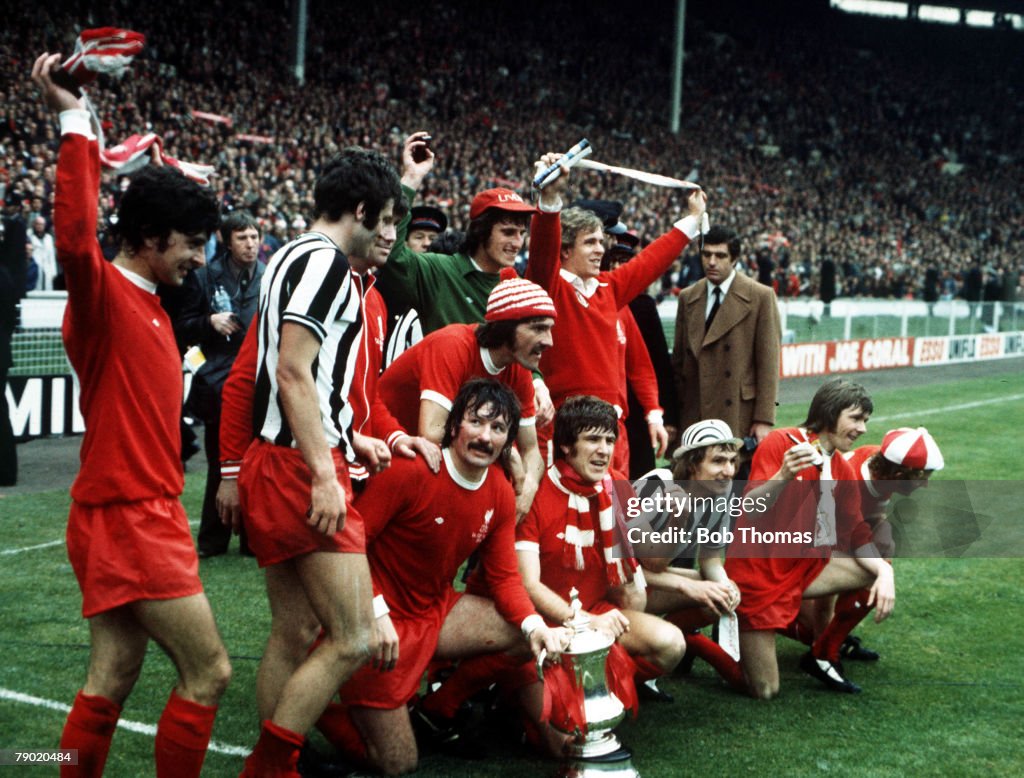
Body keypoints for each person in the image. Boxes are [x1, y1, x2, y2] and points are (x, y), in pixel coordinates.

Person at [32, 52, 231, 777]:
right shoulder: (106, 297)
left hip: (125, 511)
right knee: (209, 672)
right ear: (148, 240)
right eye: (189, 244)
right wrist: (74, 118)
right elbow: (77, 237)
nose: (198, 259)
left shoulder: (151, 303)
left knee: (111, 678)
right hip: (132, 517)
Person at [237, 146, 403, 776]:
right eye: (385, 219)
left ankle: (279, 756)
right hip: (297, 467)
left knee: (294, 630)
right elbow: (292, 372)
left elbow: (296, 371)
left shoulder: (287, 253)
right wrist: (327, 472)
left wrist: (350, 433)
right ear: (360, 210)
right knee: (353, 636)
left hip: (272, 457)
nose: (389, 234)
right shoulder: (328, 264)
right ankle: (272, 764)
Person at [315, 379, 568, 774]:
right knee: (397, 763)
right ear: (453, 427)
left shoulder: (500, 490)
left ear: (507, 441)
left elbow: (504, 579)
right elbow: (352, 546)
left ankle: (437, 709)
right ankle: (317, 708)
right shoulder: (410, 471)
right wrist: (374, 610)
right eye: (476, 423)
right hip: (378, 618)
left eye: (498, 428)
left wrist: (536, 625)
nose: (485, 436)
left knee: (523, 634)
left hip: (434, 610)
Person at [515, 396, 685, 754]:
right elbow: (527, 585)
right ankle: (518, 696)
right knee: (565, 743)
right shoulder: (537, 491)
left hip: (597, 613)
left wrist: (675, 521)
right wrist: (586, 621)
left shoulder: (616, 483)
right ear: (565, 444)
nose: (604, 450)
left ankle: (604, 689)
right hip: (543, 626)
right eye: (593, 439)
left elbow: (652, 563)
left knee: (672, 644)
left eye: (609, 440)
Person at [524, 155, 707, 456]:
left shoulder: (609, 289)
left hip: (613, 434)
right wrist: (550, 196)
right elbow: (543, 247)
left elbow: (651, 261)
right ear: (565, 249)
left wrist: (693, 219)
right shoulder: (549, 287)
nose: (601, 250)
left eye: (601, 241)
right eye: (590, 243)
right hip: (566, 433)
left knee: (618, 504)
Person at [725, 378, 895, 698]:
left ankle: (823, 650)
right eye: (856, 419)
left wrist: (885, 571)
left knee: (874, 567)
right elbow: (749, 509)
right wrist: (783, 477)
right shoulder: (781, 441)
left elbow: (856, 529)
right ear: (831, 413)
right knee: (764, 690)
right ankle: (702, 642)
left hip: (801, 570)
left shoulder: (841, 468)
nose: (863, 429)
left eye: (866, 421)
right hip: (759, 576)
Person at [377, 271, 556, 516]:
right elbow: (430, 435)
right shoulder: (453, 344)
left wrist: (526, 494)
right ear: (505, 326)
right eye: (538, 328)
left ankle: (629, 545)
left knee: (620, 502)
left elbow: (531, 451)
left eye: (549, 329)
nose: (549, 341)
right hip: (386, 451)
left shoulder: (614, 479)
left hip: (617, 428)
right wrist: (505, 452)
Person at [174, 209, 263, 557]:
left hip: (256, 381)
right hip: (216, 382)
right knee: (220, 461)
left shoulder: (269, 276)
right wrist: (208, 321)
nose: (251, 244)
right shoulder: (203, 277)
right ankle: (214, 539)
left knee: (256, 463)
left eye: (254, 237)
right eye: (242, 237)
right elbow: (180, 325)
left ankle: (253, 539)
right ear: (227, 241)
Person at [632, 419, 746, 690]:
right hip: (620, 583)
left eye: (732, 461)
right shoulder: (656, 487)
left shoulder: (720, 493)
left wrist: (725, 585)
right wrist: (676, 521)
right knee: (704, 588)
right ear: (693, 463)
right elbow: (636, 565)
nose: (728, 471)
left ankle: (664, 651)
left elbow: (711, 559)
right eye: (718, 461)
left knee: (717, 594)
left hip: (648, 579)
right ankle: (634, 666)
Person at [671, 226, 781, 455]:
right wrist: (673, 417)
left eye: (720, 256)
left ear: (735, 259)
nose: (712, 262)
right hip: (694, 412)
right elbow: (679, 364)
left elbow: (768, 364)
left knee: (731, 480)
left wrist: (764, 419)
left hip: (738, 413)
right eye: (706, 254)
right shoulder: (688, 297)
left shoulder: (760, 296)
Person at [380, 204, 448, 368]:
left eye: (433, 238)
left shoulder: (446, 282)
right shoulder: (382, 281)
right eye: (418, 237)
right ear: (404, 243)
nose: (426, 244)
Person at [28, 215, 59, 290]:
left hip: (47, 268)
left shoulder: (49, 238)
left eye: (41, 224)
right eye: (38, 224)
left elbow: (51, 255)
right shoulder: (30, 236)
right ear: (34, 225)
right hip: (35, 267)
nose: (39, 226)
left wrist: (53, 272)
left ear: (44, 226)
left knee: (47, 290)